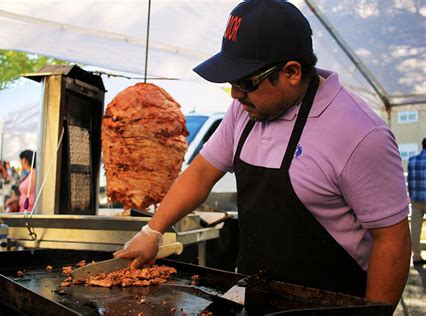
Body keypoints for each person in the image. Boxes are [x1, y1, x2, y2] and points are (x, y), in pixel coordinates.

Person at [114, 0, 411, 309]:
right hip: (257, 297)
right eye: (232, 81)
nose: (235, 94)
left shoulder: (360, 134)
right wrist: (153, 231)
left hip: (331, 304)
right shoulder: (243, 112)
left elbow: (392, 239)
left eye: (245, 82)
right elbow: (202, 171)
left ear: (292, 72)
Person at [407, 138, 426, 266]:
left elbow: (410, 181)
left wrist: (412, 196)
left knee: (415, 228)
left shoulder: (412, 160)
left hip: (416, 199)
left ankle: (416, 257)